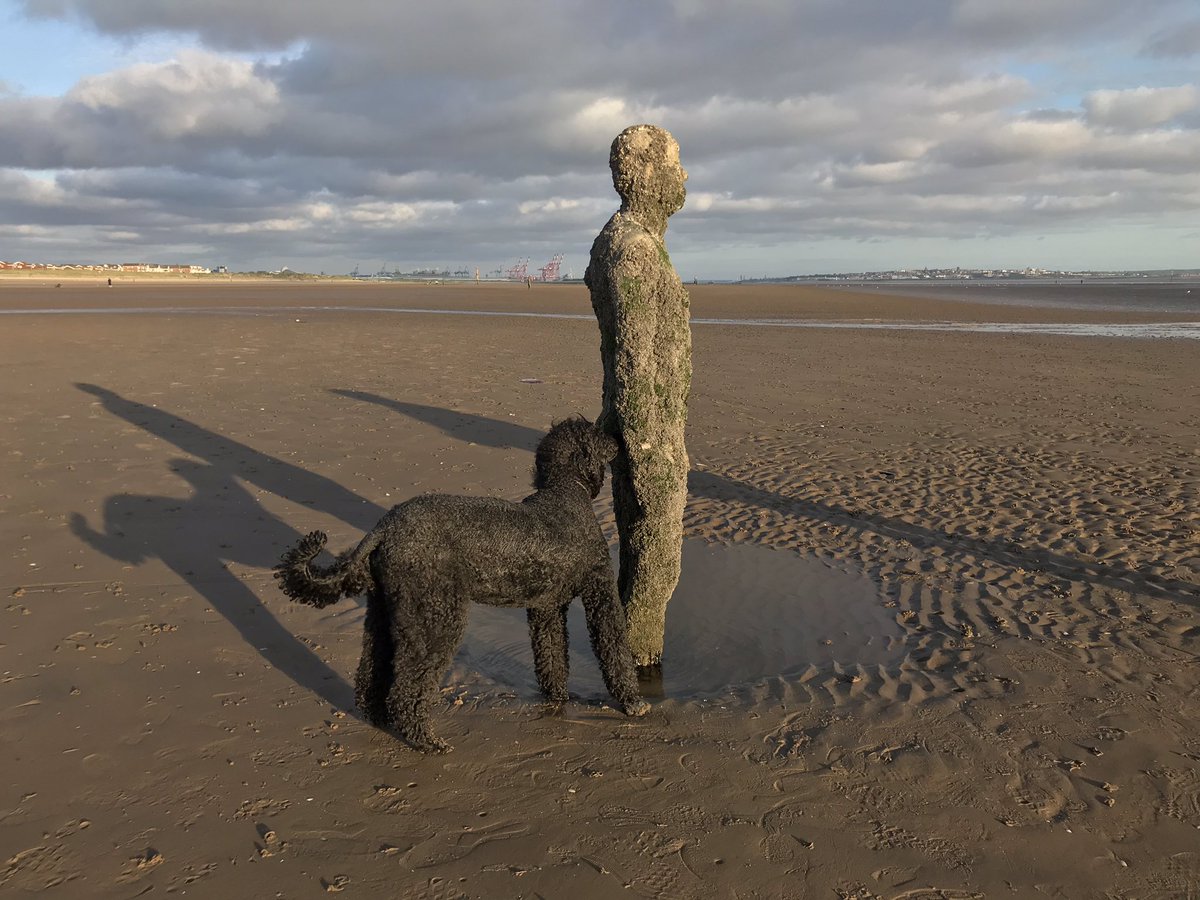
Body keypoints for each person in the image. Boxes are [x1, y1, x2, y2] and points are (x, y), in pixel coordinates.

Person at [584, 124, 691, 670]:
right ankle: (637, 666)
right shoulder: (635, 251)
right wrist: (650, 454)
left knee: (640, 554)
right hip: (649, 431)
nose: (684, 175)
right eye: (675, 164)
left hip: (638, 423)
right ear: (647, 174)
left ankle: (626, 661)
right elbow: (634, 362)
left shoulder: (619, 239)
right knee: (656, 561)